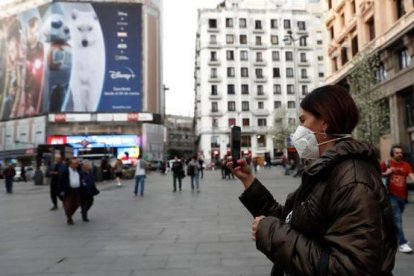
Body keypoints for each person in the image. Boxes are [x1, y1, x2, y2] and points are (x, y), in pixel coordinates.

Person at [228, 85, 397, 275]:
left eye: (303, 120)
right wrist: (249, 180)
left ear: (324, 122)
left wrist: (272, 233)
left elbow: (351, 268)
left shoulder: (353, 179)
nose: (299, 129)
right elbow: (291, 222)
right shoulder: (327, 170)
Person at [381, 145, 414, 254]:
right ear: (392, 154)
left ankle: (392, 238)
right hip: (391, 195)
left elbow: (411, 176)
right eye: (397, 153)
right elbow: (375, 174)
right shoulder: (386, 164)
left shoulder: (406, 165)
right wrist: (387, 172)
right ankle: (402, 243)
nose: (400, 154)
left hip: (402, 197)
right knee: (398, 219)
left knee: (395, 219)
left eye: (401, 152)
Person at [59, 158, 81, 225]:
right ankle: (69, 218)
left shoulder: (78, 171)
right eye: (75, 164)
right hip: (68, 190)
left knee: (77, 204)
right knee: (68, 206)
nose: (76, 165)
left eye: (77, 163)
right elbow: (60, 181)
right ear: (70, 164)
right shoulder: (66, 171)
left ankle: (69, 215)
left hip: (77, 190)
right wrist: (61, 191)